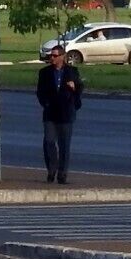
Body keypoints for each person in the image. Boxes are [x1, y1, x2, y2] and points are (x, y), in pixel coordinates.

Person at [36, 44, 83, 184]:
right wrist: (45, 103)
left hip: (66, 112)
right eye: (51, 55)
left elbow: (79, 88)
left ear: (62, 57)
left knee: (64, 145)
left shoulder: (71, 71)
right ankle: (51, 169)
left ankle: (62, 174)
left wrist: (74, 89)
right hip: (50, 112)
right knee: (49, 141)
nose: (52, 58)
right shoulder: (44, 72)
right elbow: (40, 91)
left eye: (55, 56)